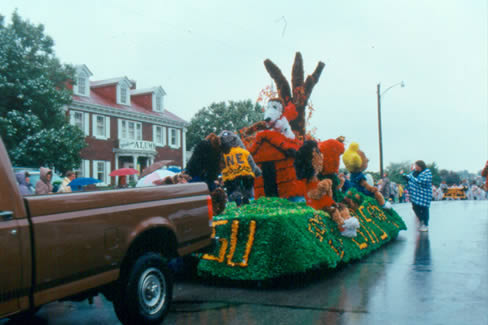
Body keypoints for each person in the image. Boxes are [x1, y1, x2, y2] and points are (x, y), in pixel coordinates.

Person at [402, 160, 432, 232]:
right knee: (415, 207)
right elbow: (410, 178)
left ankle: (425, 224)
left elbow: (420, 181)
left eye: (416, 166)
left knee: (424, 209)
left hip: (425, 194)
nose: (415, 167)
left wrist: (411, 178)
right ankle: (421, 220)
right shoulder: (414, 173)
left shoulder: (427, 173)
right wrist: (405, 176)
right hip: (416, 195)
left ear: (420, 166)